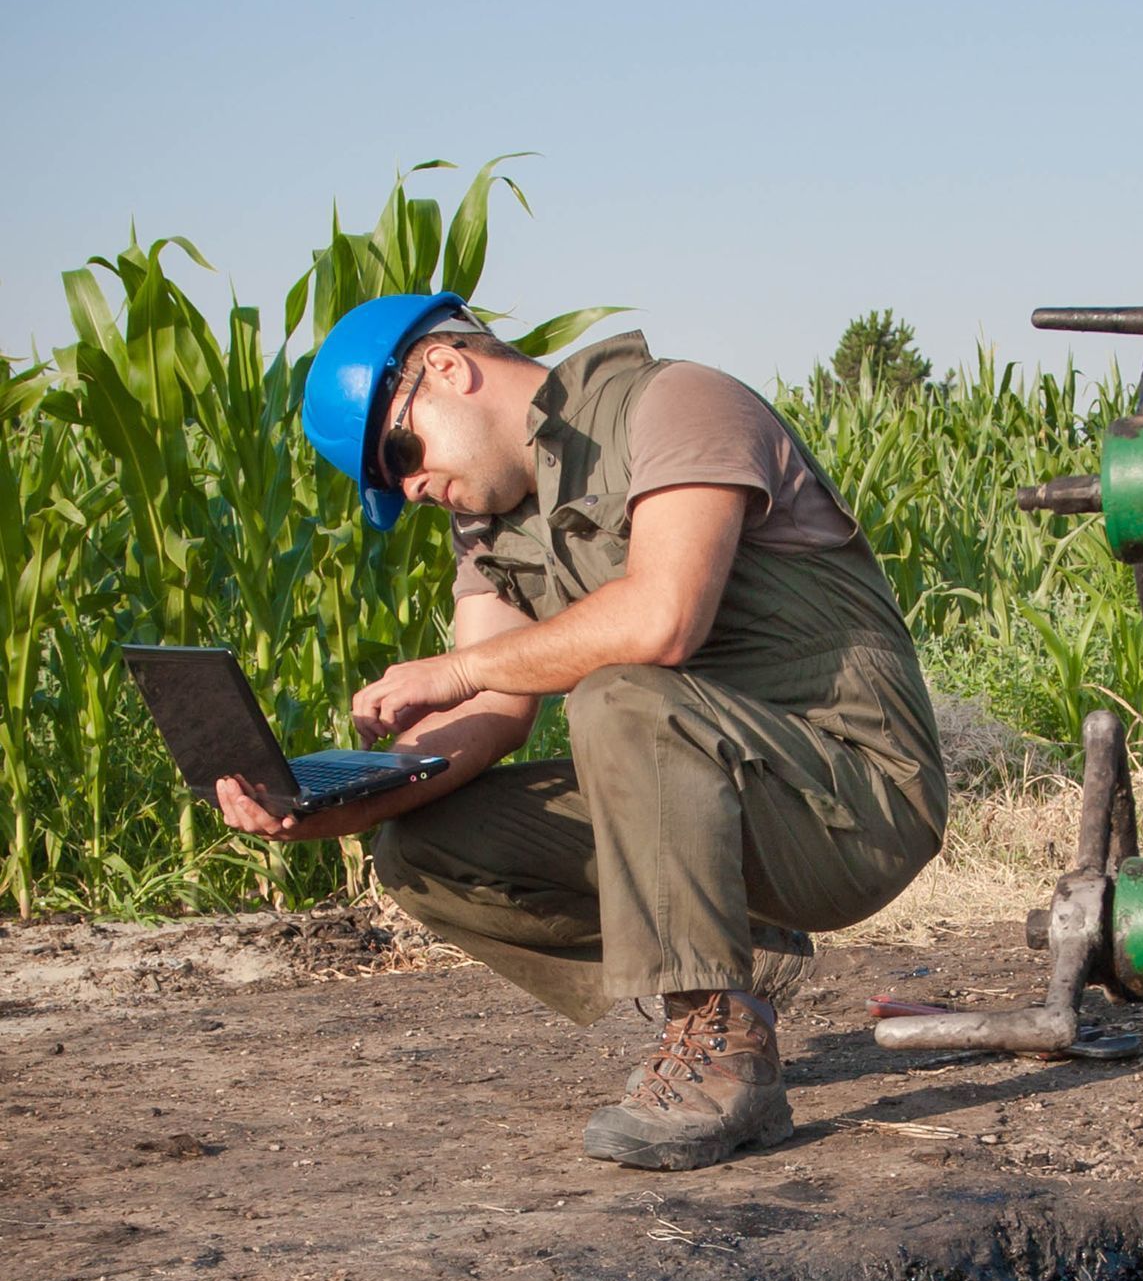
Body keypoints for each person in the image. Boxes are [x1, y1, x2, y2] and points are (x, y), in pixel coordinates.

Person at [215, 294, 948, 1168]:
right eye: (391, 486)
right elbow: (484, 719)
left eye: (400, 454)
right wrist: (338, 802)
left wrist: (456, 670)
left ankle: (721, 1056)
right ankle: (738, 962)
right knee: (427, 847)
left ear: (445, 369)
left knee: (619, 696)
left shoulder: (677, 405)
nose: (410, 488)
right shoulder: (487, 528)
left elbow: (661, 621)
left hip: (855, 800)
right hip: (719, 797)